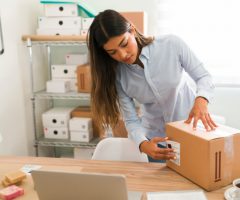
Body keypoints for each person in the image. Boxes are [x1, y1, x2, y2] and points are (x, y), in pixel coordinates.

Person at [87, 9, 218, 163]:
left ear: (133, 31)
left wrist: (201, 100)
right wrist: (143, 144)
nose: (122, 55)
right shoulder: (117, 76)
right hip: (157, 142)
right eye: (112, 52)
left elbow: (204, 76)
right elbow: (131, 120)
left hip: (192, 134)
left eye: (124, 44)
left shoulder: (171, 44)